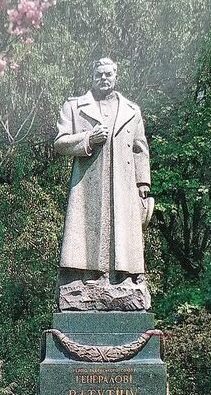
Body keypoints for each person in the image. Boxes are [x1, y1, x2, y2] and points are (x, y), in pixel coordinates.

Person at [54, 58, 153, 310]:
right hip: (89, 183)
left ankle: (124, 278)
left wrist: (143, 183)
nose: (104, 78)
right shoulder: (75, 106)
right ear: (92, 76)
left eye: (108, 74)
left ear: (116, 76)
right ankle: (86, 279)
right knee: (88, 228)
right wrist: (88, 138)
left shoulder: (132, 109)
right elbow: (60, 143)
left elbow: (140, 148)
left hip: (123, 184)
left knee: (124, 230)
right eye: (99, 74)